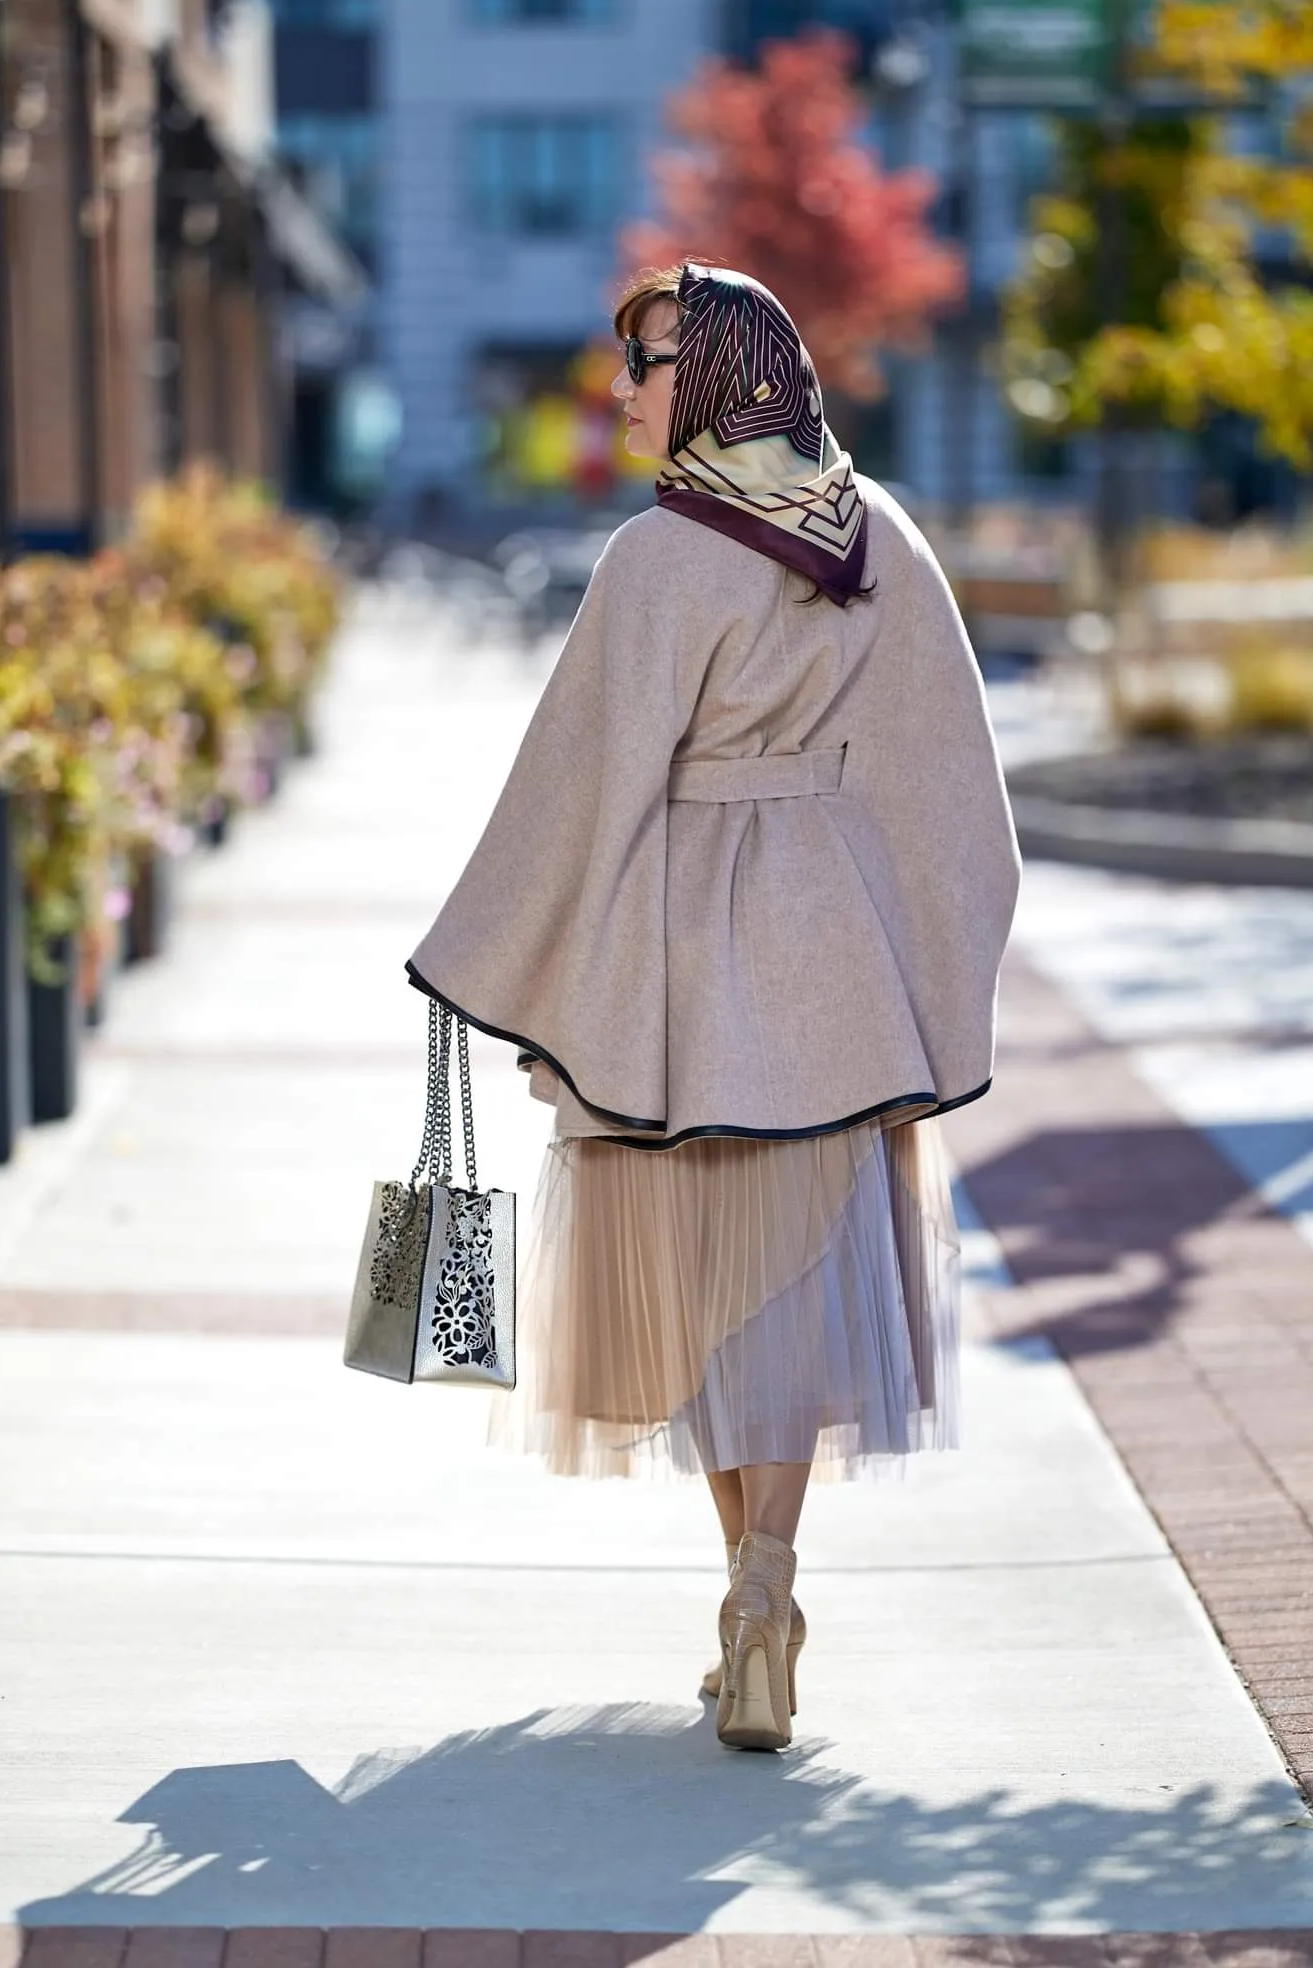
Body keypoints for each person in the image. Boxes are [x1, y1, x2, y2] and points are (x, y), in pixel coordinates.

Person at [406, 261, 1021, 1752]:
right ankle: (769, 1586)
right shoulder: (884, 540)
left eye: (647, 362)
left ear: (729, 371)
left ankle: (745, 1601)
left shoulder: (655, 560)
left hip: (680, 974)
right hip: (836, 973)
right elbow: (956, 804)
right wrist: (932, 988)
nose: (621, 391)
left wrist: (484, 957)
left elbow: (578, 794)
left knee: (696, 1300)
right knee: (798, 1301)